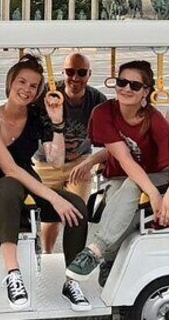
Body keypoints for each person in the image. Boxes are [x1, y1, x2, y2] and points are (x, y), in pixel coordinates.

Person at [0, 54, 90, 311]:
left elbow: (55, 162)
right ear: (10, 82)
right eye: (22, 82)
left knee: (76, 207)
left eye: (33, 86)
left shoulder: (36, 117)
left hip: (29, 186)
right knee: (9, 185)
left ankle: (72, 280)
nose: (26, 90)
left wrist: (57, 123)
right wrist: (54, 197)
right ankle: (13, 274)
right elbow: (9, 169)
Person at [66, 60, 169, 290]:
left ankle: (95, 251)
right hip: (123, 177)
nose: (126, 89)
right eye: (122, 82)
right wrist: (91, 159)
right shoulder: (104, 112)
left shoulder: (155, 120)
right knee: (116, 200)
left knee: (133, 185)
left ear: (146, 92)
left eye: (135, 85)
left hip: (160, 178)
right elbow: (122, 154)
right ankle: (110, 260)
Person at [34, 53, 107, 255]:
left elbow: (107, 138)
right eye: (70, 72)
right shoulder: (48, 95)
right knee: (51, 215)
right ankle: (48, 255)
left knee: (76, 213)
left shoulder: (97, 100)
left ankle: (72, 265)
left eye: (81, 73)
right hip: (46, 162)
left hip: (80, 162)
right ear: (63, 72)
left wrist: (95, 163)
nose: (75, 78)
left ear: (89, 75)